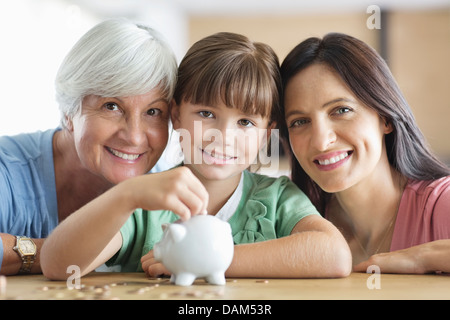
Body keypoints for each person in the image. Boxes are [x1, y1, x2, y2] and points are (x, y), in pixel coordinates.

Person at [40, 32, 352, 280]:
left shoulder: (277, 199)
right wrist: (126, 196)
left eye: (245, 122)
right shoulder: (146, 203)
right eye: (206, 113)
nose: (223, 137)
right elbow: (58, 266)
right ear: (175, 114)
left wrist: (202, 259)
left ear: (266, 133)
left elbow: (334, 255)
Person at [0, 18, 200, 275]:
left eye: (153, 111)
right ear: (69, 111)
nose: (134, 137)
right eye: (112, 106)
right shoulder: (8, 169)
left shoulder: (166, 195)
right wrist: (51, 252)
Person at [280, 32, 450, 273]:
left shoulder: (440, 205)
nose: (321, 142)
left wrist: (421, 257)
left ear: (385, 118)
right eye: (299, 121)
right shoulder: (289, 213)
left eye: (341, 110)